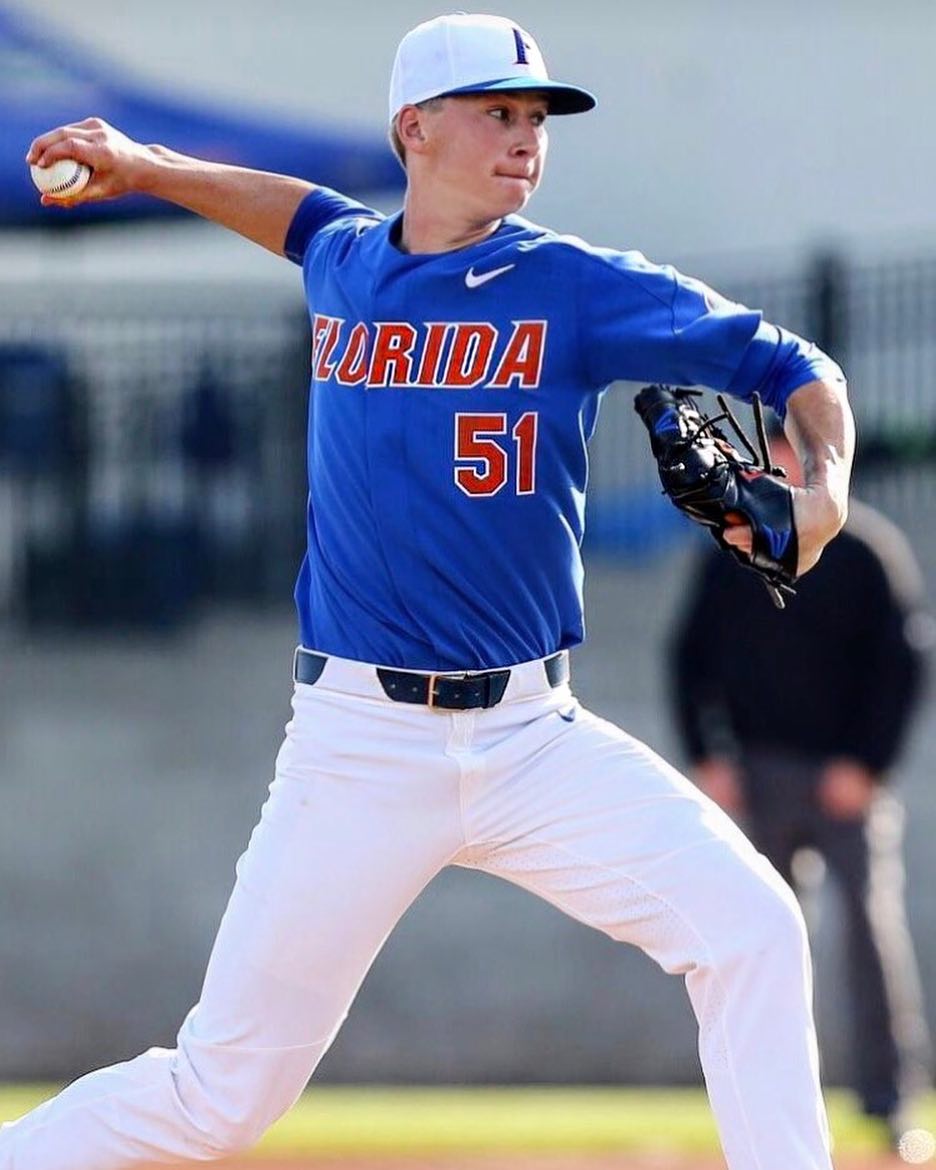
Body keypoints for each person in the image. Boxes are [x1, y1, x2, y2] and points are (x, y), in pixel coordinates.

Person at [7, 14, 855, 1170]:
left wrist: (828, 489)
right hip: (357, 745)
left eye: (536, 119)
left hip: (533, 739)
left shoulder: (577, 286)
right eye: (497, 113)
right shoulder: (350, 259)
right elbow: (289, 210)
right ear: (414, 129)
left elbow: (798, 368)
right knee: (221, 1097)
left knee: (753, 929)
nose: (525, 139)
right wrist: (146, 164)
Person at [669, 427, 932, 1148]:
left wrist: (867, 764)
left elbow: (903, 664)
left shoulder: (866, 552)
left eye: (789, 458)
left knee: (872, 940)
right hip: (758, 776)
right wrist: (708, 756)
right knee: (757, 944)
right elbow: (690, 659)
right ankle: (764, 1109)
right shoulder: (734, 554)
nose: (773, 470)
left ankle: (891, 1104)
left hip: (845, 783)